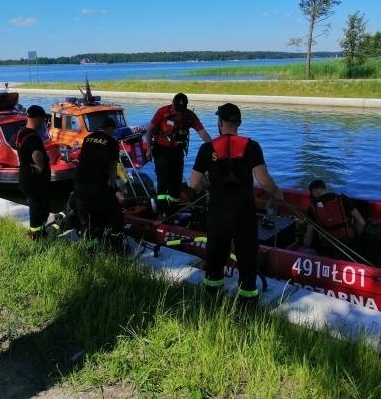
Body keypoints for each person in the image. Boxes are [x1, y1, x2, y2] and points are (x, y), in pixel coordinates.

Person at [189, 103, 283, 305]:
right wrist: (277, 193)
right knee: (247, 256)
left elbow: (194, 183)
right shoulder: (252, 146)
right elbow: (264, 181)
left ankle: (212, 296)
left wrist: (208, 183)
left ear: (219, 123)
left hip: (218, 211)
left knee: (215, 255)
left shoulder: (207, 149)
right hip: (243, 211)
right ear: (239, 123)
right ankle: (247, 300)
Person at [145, 93, 211, 215]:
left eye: (182, 110)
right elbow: (149, 130)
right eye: (177, 109)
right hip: (161, 150)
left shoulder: (190, 116)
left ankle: (173, 208)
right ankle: (161, 209)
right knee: (163, 180)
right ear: (173, 104)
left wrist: (214, 146)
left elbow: (202, 132)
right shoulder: (162, 112)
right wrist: (149, 149)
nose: (179, 113)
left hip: (177, 152)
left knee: (176, 181)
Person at [73, 117, 125, 250]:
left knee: (86, 214)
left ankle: (88, 244)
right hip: (96, 183)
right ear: (110, 128)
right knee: (113, 212)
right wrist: (113, 187)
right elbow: (113, 167)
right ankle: (113, 243)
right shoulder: (112, 142)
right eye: (113, 130)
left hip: (80, 181)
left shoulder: (87, 138)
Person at [12, 105, 52, 240]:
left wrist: (23, 157)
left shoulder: (20, 133)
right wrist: (41, 166)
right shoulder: (33, 137)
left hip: (25, 177)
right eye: (43, 119)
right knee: (38, 210)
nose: (44, 122)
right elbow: (36, 153)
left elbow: (13, 144)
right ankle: (35, 238)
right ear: (36, 119)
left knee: (36, 208)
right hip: (35, 181)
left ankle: (39, 233)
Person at [302, 179, 366, 256]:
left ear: (315, 191)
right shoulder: (343, 199)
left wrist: (305, 247)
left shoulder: (312, 207)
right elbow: (362, 222)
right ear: (324, 188)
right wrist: (355, 238)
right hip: (349, 244)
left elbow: (309, 234)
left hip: (327, 247)